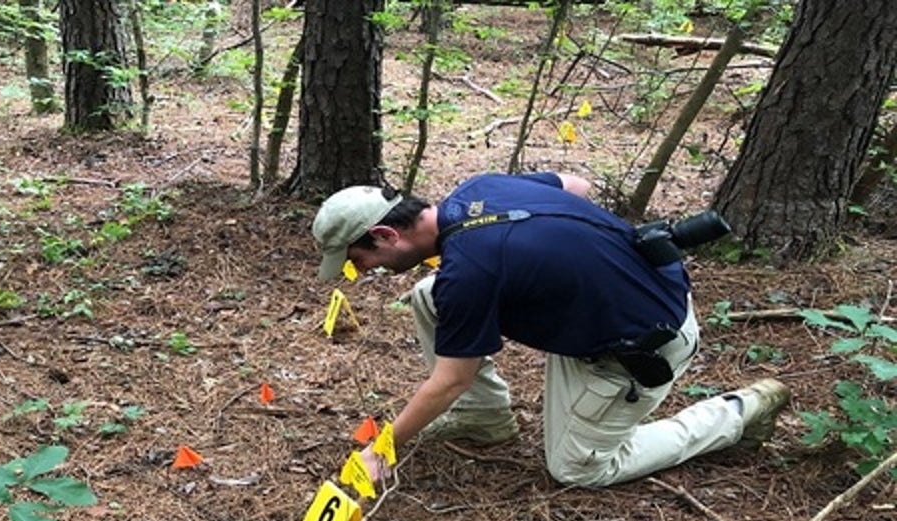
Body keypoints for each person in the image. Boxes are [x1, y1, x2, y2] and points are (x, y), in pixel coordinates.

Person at [311, 172, 790, 487]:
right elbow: (575, 186)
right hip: (630, 304)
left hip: (640, 348)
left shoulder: (470, 272)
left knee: (578, 468)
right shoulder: (481, 189)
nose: (368, 270)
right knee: (428, 295)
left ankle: (738, 413)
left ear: (385, 235)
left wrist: (384, 446)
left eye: (361, 260)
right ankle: (487, 418)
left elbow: (451, 379)